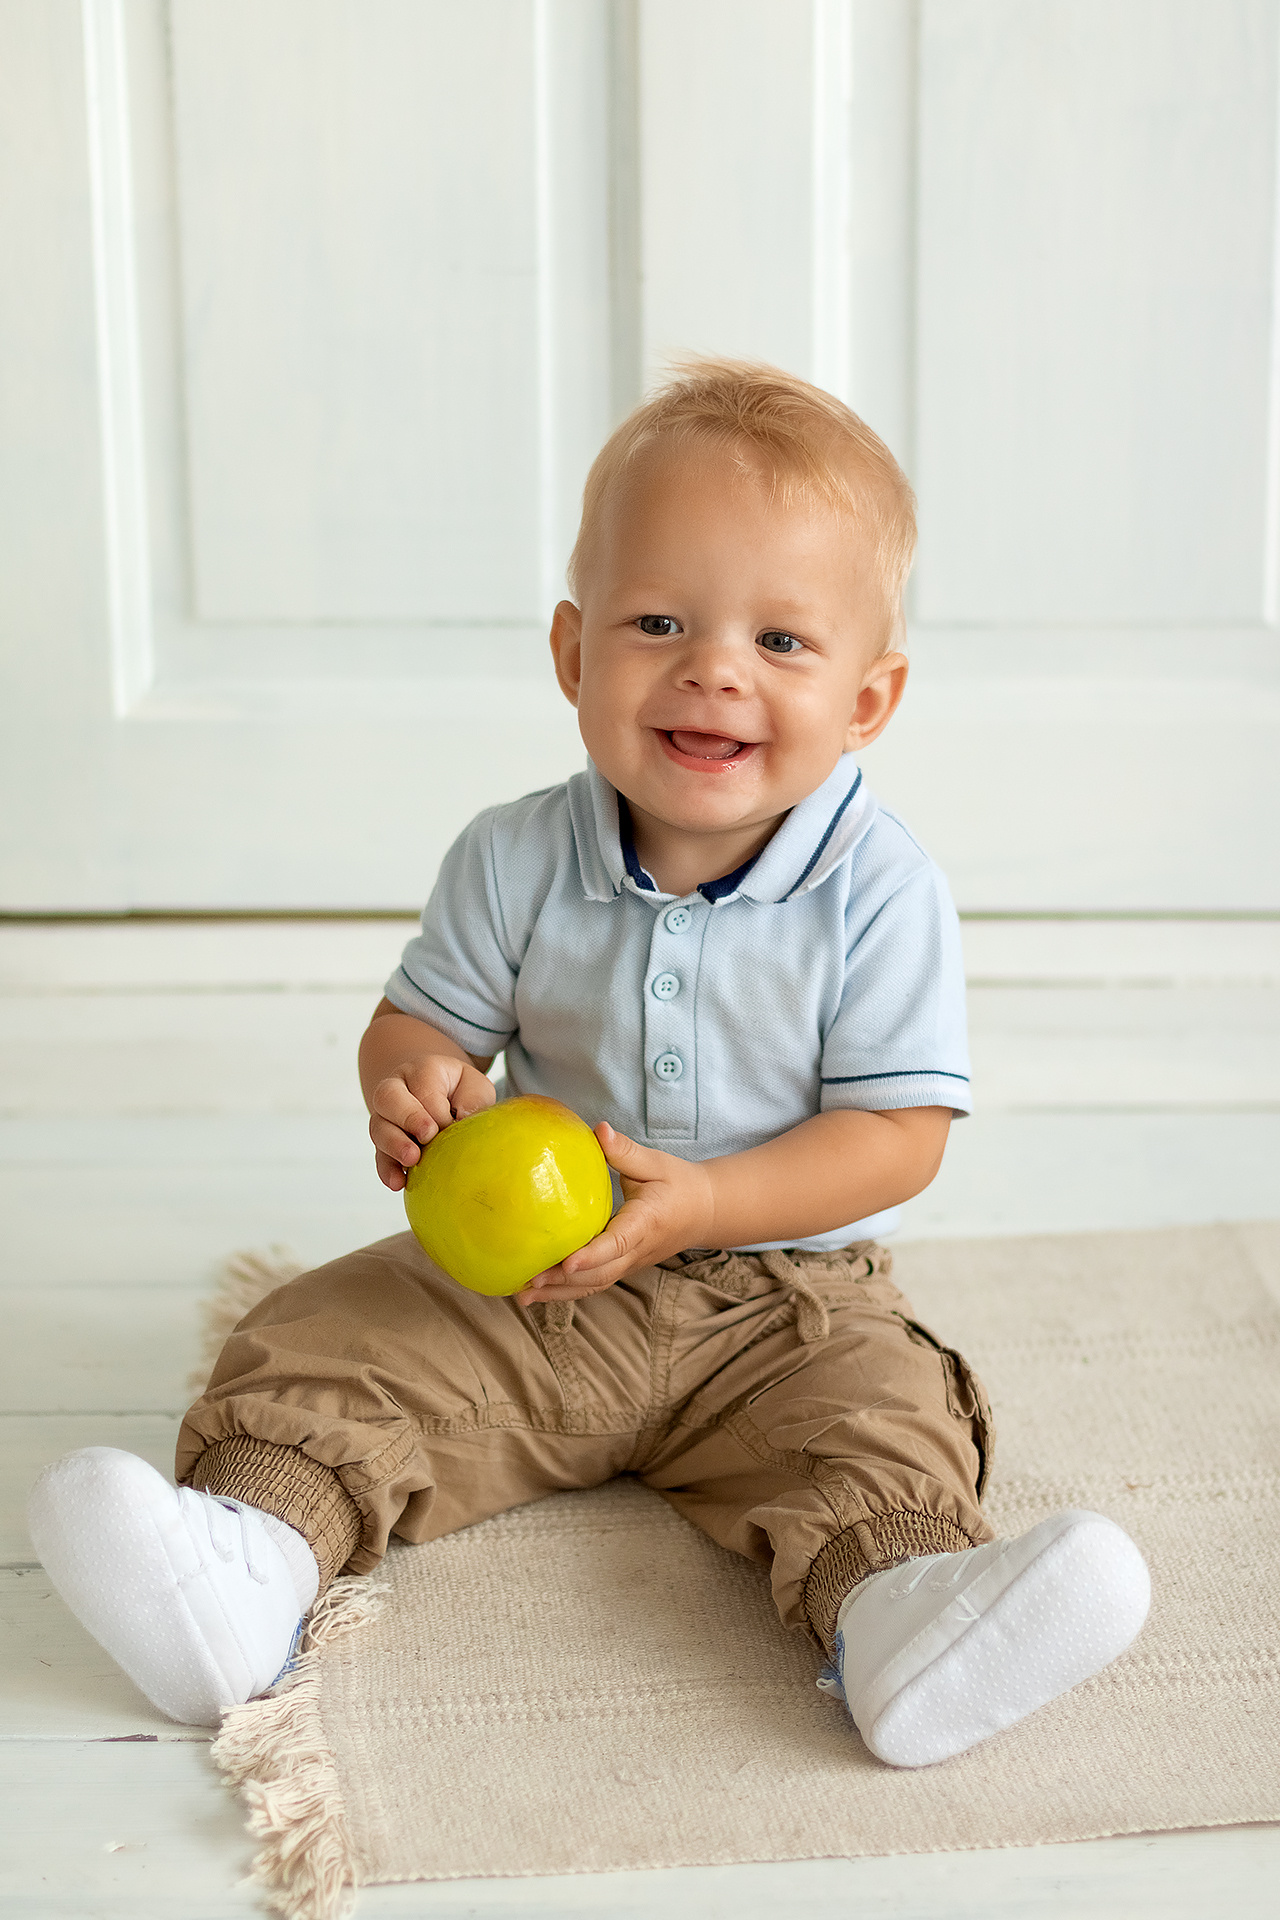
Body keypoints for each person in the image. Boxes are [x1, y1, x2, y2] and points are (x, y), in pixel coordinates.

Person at [28, 360, 1149, 1766]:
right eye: (659, 621)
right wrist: (417, 1083)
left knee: (883, 1418)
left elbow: (897, 1136)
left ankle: (902, 1616)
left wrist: (714, 1206)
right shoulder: (513, 854)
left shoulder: (882, 890)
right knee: (330, 1340)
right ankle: (249, 1558)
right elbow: (417, 1018)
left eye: (783, 643)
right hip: (529, 1281)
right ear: (573, 654)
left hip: (782, 1298)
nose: (714, 668)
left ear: (871, 701)